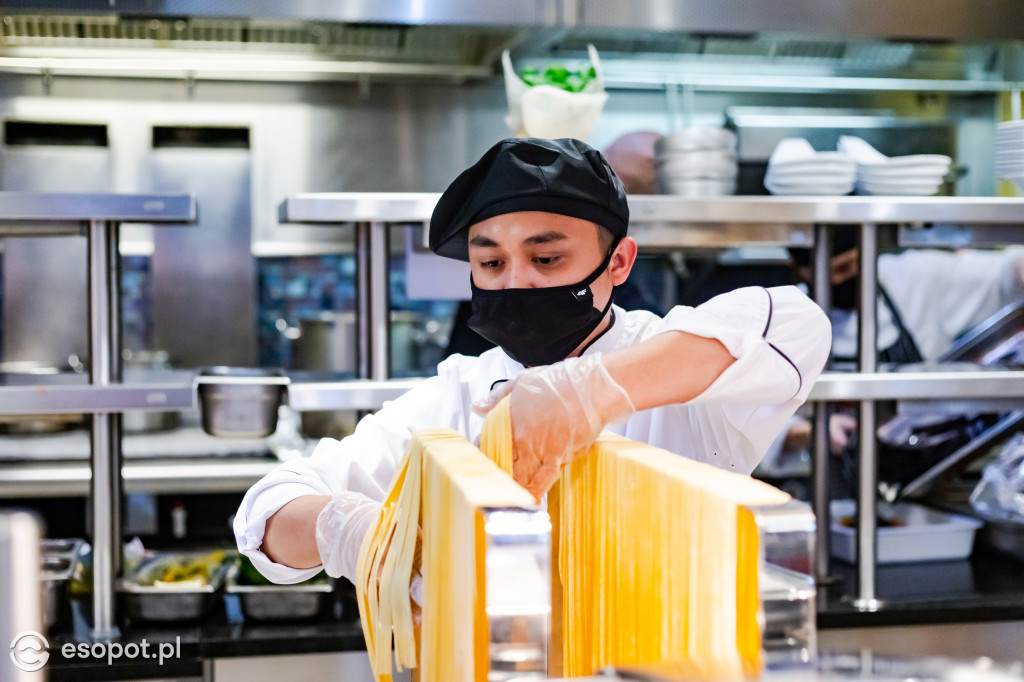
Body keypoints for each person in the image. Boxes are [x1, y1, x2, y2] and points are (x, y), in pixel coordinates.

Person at [233, 137, 832, 588]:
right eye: (491, 264)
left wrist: (588, 391)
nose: (515, 283)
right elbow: (267, 511)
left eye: (546, 259)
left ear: (618, 264)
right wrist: (350, 531)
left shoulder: (681, 375)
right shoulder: (457, 395)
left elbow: (796, 325)